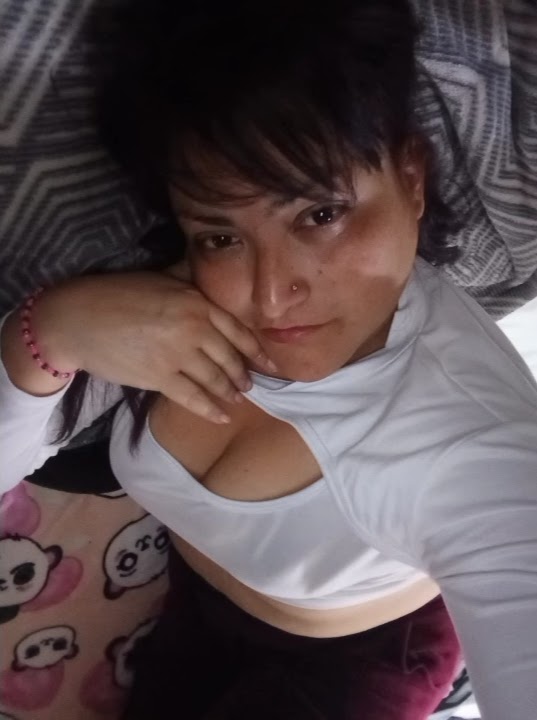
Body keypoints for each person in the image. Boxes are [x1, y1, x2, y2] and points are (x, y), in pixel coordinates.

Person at [1, 0, 536, 717]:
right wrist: (53, 330)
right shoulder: (172, 294)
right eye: (220, 235)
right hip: (195, 597)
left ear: (412, 178)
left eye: (320, 214)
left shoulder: (473, 449)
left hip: (355, 659)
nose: (270, 294)